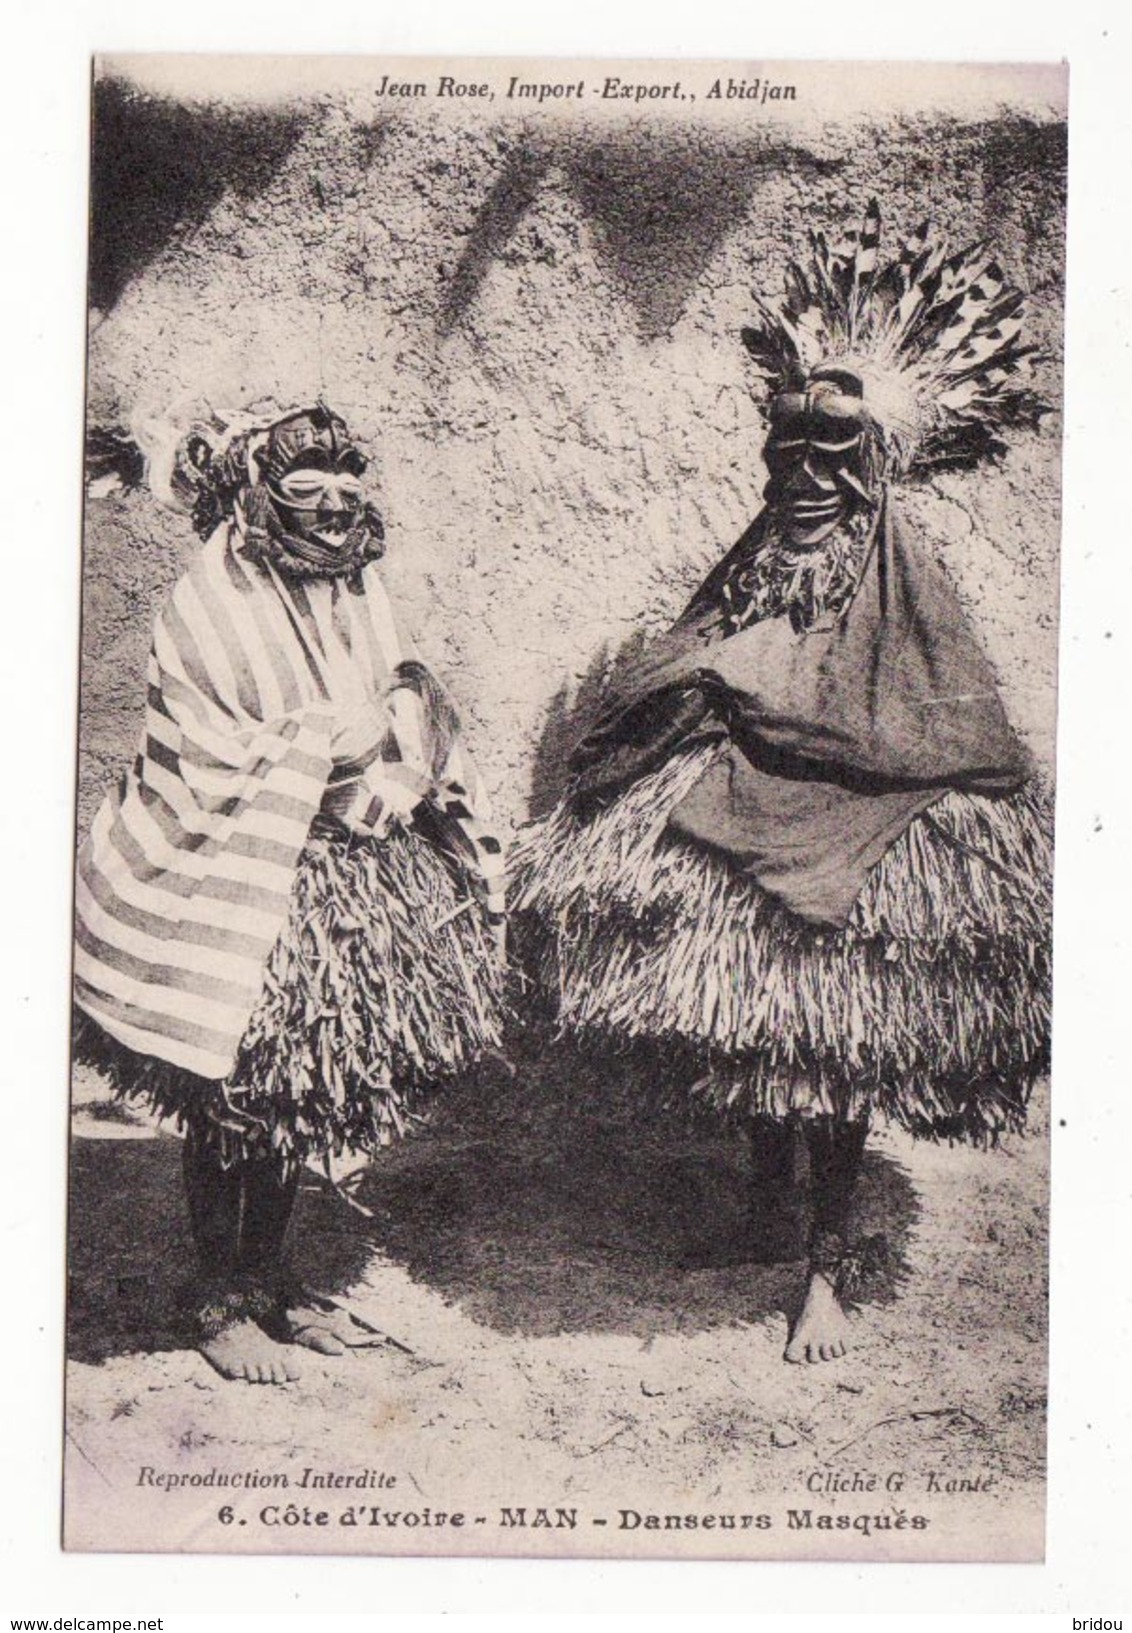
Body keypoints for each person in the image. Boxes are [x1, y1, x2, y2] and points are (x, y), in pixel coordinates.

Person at [510, 204, 1053, 1364]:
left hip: (860, 815)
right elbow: (697, 651)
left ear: (873, 471)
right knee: (757, 1030)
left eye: (831, 460)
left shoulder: (900, 574)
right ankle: (763, 1201)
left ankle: (825, 1264)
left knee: (833, 1043)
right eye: (788, 456)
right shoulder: (761, 552)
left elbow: (917, 713)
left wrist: (757, 687)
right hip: (735, 802)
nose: (804, 479)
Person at [74, 404, 506, 1384]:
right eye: (306, 487)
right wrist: (342, 740)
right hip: (241, 868)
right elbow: (208, 738)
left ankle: (269, 1275)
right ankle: (216, 1294)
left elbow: (392, 684)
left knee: (296, 1096)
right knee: (232, 1092)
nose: (334, 504)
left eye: (347, 485)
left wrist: (406, 708)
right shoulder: (211, 598)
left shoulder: (356, 587)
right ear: (259, 494)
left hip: (343, 874)